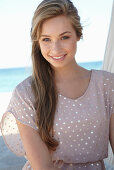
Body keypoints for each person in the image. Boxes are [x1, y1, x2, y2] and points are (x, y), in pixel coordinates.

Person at [0, 0, 114, 169]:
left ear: (78, 34)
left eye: (64, 37)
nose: (56, 49)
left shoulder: (107, 84)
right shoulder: (25, 94)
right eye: (46, 39)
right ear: (37, 42)